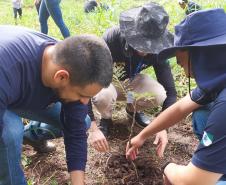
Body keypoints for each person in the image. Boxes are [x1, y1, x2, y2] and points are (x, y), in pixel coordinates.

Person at [0, 25, 112, 185]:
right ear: (61, 77)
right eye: (83, 95)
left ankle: (31, 136)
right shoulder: (6, 69)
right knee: (9, 132)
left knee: (83, 121)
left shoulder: (71, 64)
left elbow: (75, 132)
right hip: (5, 85)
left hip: (18, 92)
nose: (85, 103)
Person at [126, 8, 226, 185]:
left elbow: (192, 181)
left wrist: (167, 167)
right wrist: (143, 135)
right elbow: (180, 108)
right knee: (202, 112)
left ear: (199, 55)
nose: (184, 71)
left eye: (180, 62)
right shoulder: (219, 77)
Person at [87, 2, 177, 155]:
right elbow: (87, 82)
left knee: (159, 93)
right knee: (103, 96)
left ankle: (132, 111)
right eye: (141, 42)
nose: (144, 49)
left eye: (150, 45)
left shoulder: (159, 50)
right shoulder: (112, 39)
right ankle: (106, 118)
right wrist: (92, 126)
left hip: (133, 81)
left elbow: (171, 92)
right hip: (108, 80)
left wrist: (163, 126)